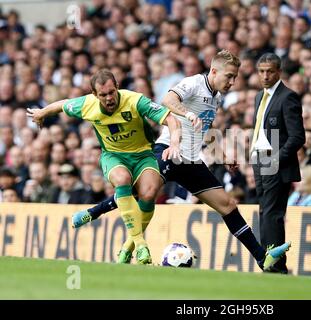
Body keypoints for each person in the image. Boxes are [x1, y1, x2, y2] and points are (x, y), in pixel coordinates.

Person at [71, 50, 291, 271]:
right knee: (142, 193)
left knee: (228, 205)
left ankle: (262, 258)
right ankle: (95, 214)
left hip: (191, 160)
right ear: (214, 71)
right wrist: (186, 114)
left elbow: (205, 126)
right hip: (168, 150)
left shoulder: (216, 97)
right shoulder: (194, 83)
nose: (232, 82)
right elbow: (168, 99)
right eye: (229, 76)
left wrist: (222, 155)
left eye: (235, 77)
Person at [27, 69, 182, 265]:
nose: (109, 98)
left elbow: (170, 118)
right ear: (94, 95)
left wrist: (174, 142)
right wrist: (42, 113)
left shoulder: (134, 100)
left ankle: (127, 248)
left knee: (149, 193)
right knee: (122, 180)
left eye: (112, 92)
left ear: (117, 87)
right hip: (113, 156)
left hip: (143, 154)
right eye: (103, 95)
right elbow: (63, 104)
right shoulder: (87, 105)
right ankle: (141, 245)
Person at [251, 53, 305, 273]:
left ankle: (276, 265)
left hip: (275, 163)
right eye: (261, 71)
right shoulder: (258, 97)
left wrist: (276, 159)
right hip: (260, 161)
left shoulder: (288, 97)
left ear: (279, 72)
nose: (265, 75)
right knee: (265, 212)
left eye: (270, 71)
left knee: (272, 214)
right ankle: (268, 262)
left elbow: (297, 137)